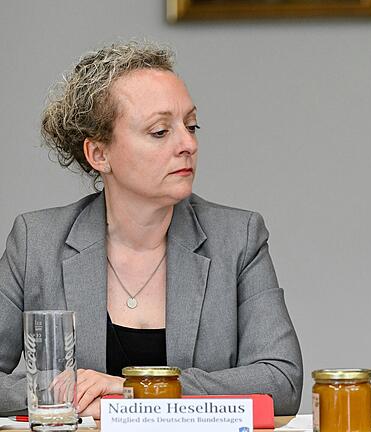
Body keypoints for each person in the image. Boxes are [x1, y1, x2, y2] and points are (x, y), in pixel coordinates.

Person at [0, 42, 302, 417]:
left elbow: (281, 382)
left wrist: (137, 390)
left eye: (191, 126)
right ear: (99, 154)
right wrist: (65, 391)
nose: (187, 144)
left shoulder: (238, 237)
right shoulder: (36, 241)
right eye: (160, 131)